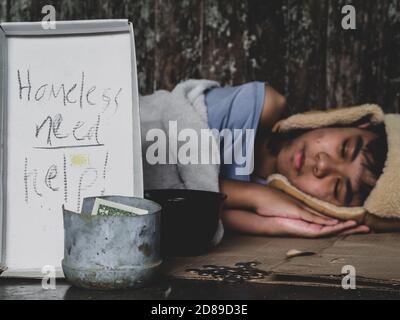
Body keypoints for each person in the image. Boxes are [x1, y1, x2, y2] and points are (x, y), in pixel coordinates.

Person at [205, 82, 387, 238]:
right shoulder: (264, 105)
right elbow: (177, 184)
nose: (322, 164)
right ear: (351, 122)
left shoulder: (273, 211)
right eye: (345, 148)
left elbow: (191, 214)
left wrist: (275, 224)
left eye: (337, 188)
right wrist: (255, 196)